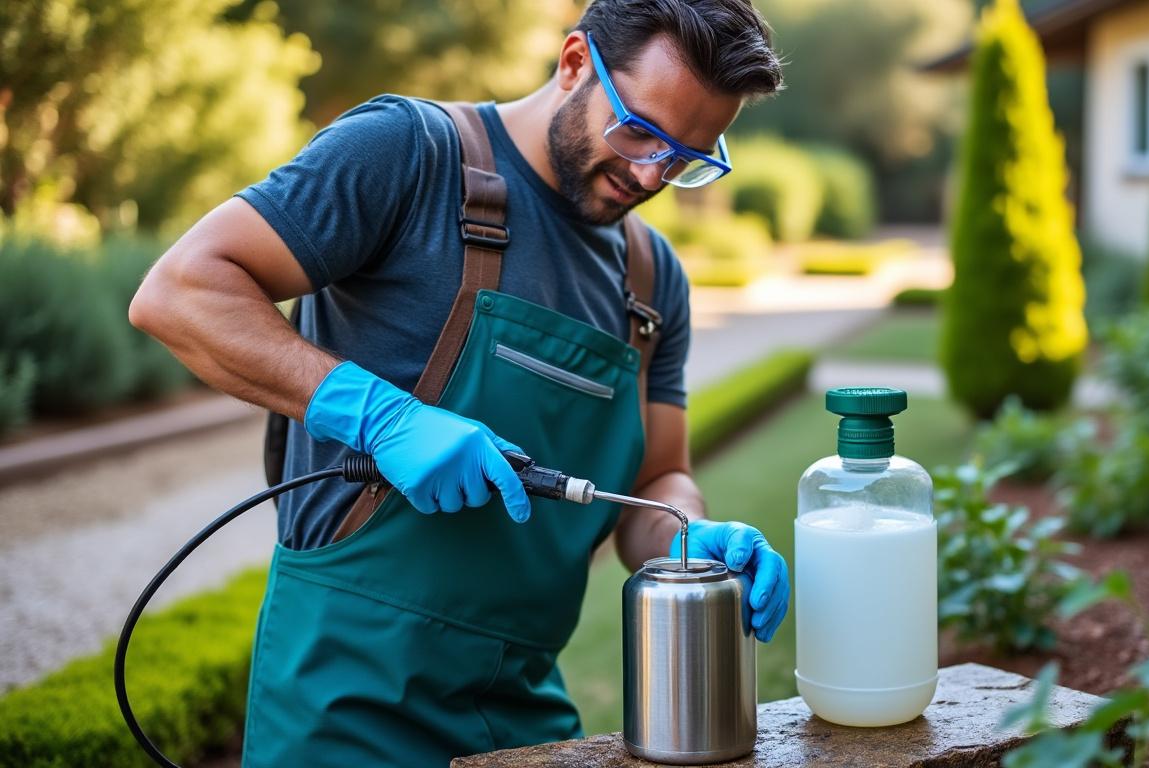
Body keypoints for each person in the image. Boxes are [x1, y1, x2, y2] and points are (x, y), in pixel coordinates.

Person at [129, 0, 789, 764]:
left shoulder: (650, 278)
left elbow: (658, 476)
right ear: (574, 61)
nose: (650, 173)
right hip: (345, 707)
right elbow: (179, 292)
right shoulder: (409, 154)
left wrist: (687, 537)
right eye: (638, 129)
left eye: (685, 157)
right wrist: (384, 418)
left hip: (526, 716)